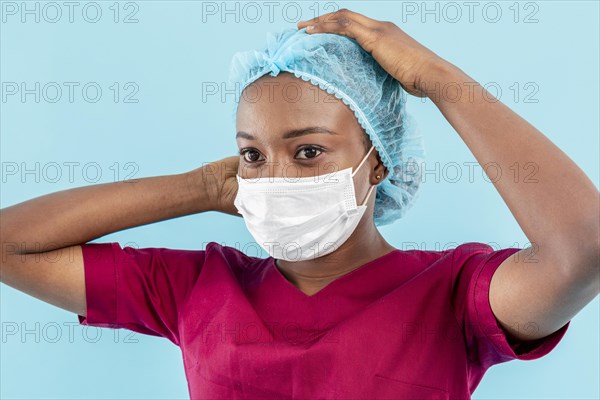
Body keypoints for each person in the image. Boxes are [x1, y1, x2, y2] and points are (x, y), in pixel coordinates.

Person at [1, 8, 598, 399]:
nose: (276, 175)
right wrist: (204, 188)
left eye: (308, 151)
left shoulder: (453, 294)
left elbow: (582, 250)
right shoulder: (196, 287)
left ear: (380, 161)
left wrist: (437, 78)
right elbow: (9, 245)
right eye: (254, 155)